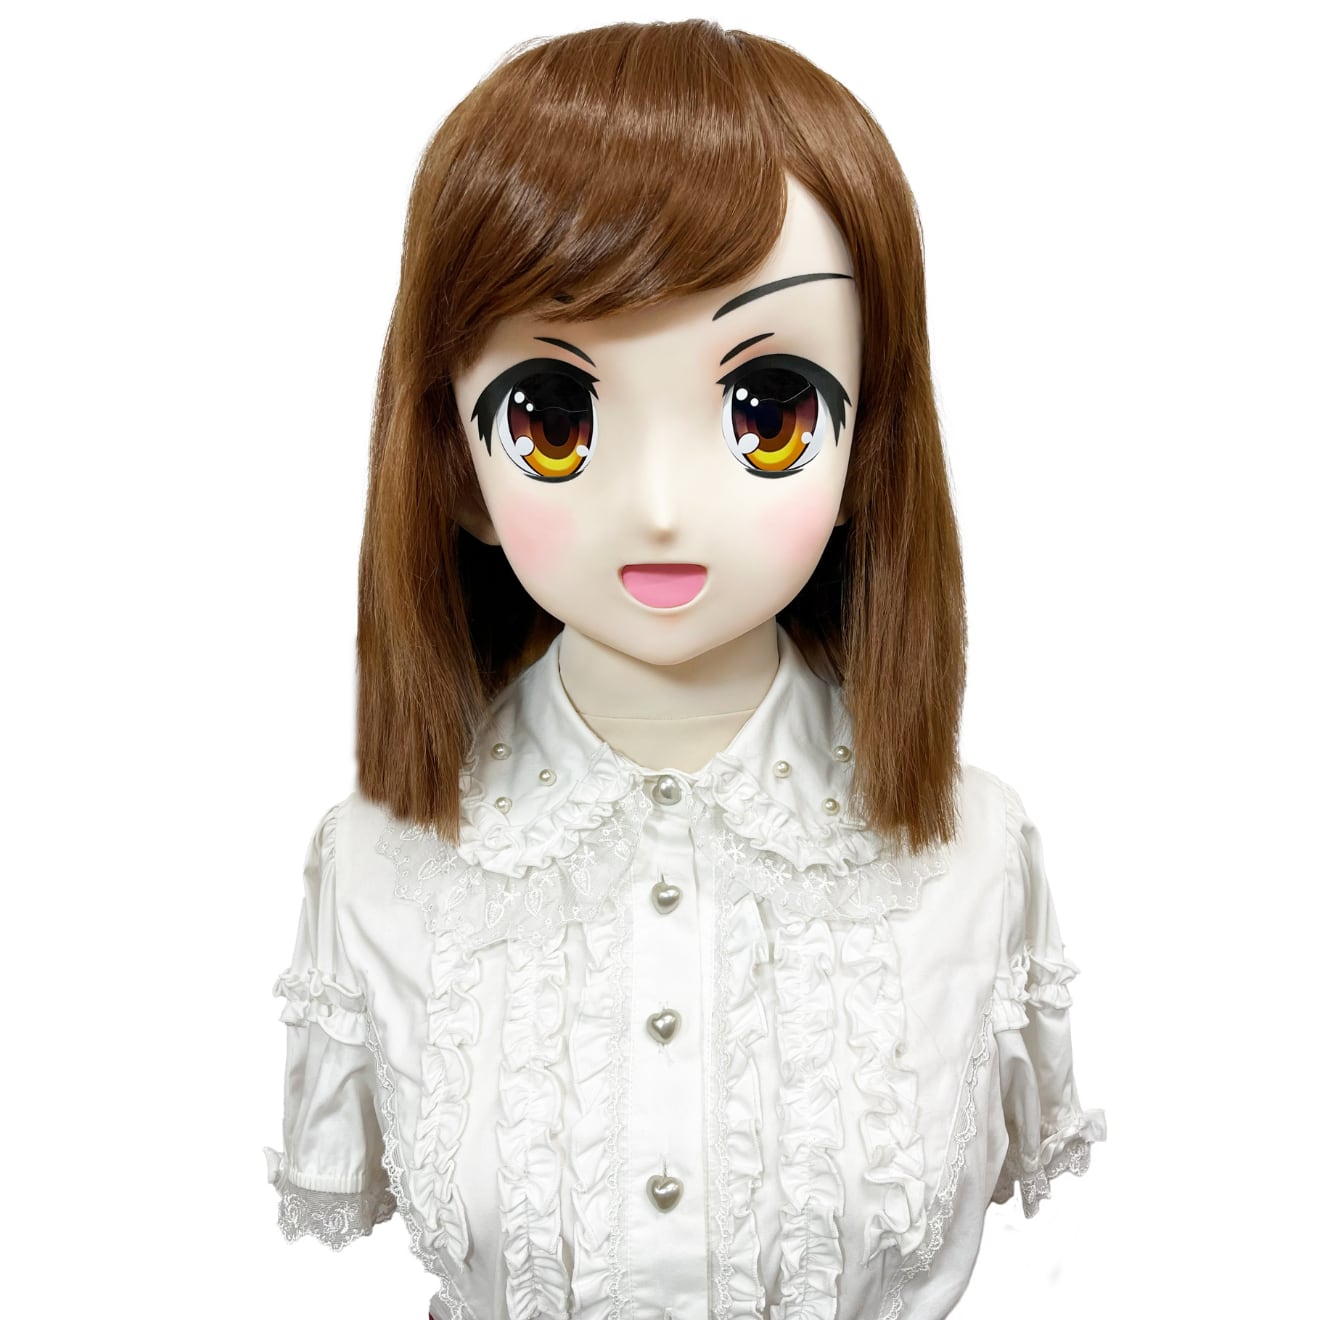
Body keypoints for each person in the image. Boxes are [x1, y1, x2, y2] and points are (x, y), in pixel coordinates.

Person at [263, 19, 1106, 1319]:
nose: (660, 506)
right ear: (458, 464)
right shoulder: (379, 860)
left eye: (768, 413)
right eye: (552, 419)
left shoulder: (978, 852)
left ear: (866, 447)